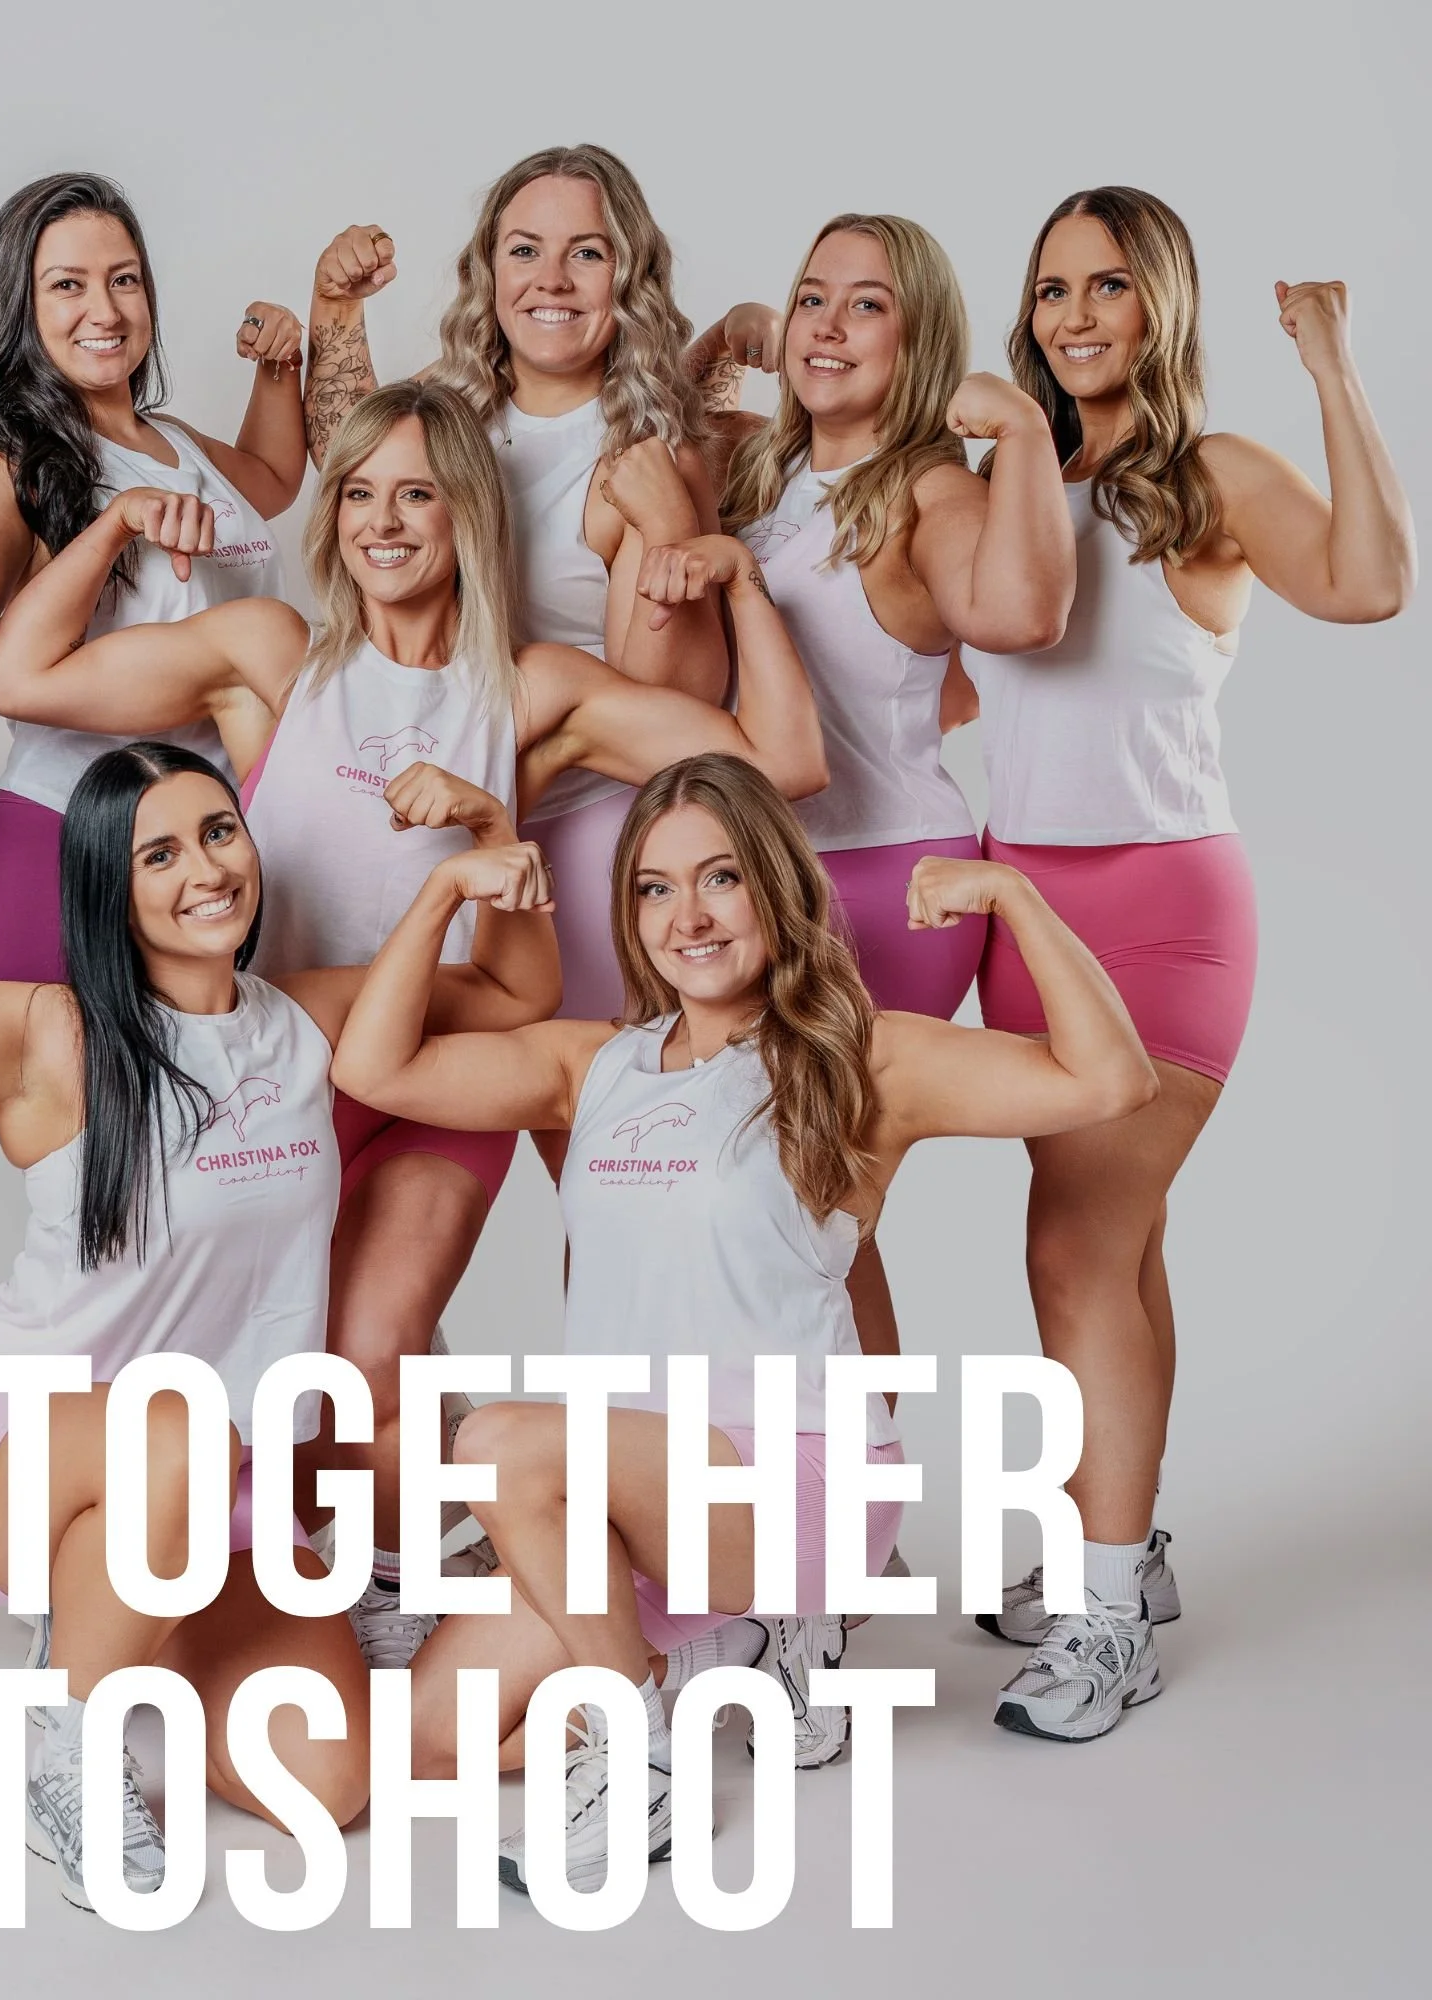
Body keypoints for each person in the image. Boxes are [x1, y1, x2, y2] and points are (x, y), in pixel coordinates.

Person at [0, 378, 826, 1668]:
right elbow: (10, 673)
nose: (382, 521)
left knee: (364, 1348)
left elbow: (786, 759)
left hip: (438, 1066)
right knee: (276, 1356)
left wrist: (740, 584)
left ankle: (391, 1568)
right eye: (359, 492)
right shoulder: (271, 654)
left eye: (416, 492)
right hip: (284, 1073)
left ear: (465, 514)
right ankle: (343, 1541)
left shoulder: (527, 685)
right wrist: (114, 528)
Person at [0, 746, 557, 1903]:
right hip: (10, 1453)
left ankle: (107, 1614)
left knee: (325, 1784)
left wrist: (463, 862)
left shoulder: (305, 1023)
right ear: (106, 888)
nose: (204, 870)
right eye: (158, 853)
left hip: (205, 1483)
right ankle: (68, 1750)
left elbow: (517, 996)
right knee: (174, 1418)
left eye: (218, 831)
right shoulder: (53, 1035)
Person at [329, 753, 1156, 1889]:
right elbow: (374, 1064)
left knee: (494, 1441)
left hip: (792, 1483)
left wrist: (1016, 900)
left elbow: (1109, 1081)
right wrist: (440, 895)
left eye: (719, 877)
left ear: (774, 886)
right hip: (624, 1507)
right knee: (424, 1749)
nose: (688, 915)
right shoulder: (593, 1067)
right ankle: (728, 1657)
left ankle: (643, 1757)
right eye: (654, 888)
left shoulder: (859, 1055)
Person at [960, 187, 1414, 1736]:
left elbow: (1370, 584)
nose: (1075, 316)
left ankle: (1104, 1624)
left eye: (1107, 287)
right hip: (1025, 913)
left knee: (1075, 1252)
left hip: (1163, 918)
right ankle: (1123, 1548)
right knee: (1115, 1248)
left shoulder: (1204, 475)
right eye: (1050, 290)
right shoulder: (1013, 468)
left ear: (1159, 307)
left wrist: (1336, 367)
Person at [680, 213, 1076, 1401]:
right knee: (787, 1206)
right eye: (811, 298)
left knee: (811, 1202)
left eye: (866, 305)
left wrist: (1012, 431)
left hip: (884, 878)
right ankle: (841, 1520)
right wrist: (717, 342)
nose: (828, 325)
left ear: (918, 343)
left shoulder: (927, 491)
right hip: (771, 876)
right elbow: (652, 427)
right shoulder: (765, 468)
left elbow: (1019, 617)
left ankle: (844, 1526)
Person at [302, 146, 725, 1040]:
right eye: (526, 249)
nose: (554, 279)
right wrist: (334, 313)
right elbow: (355, 491)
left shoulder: (649, 454)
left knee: (595, 1122)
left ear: (629, 273)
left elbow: (679, 718)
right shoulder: (444, 408)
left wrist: (672, 529)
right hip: (426, 817)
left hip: (583, 835)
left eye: (589, 252)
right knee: (415, 1091)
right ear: (488, 270)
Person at [0, 171, 307, 982]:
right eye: (67, 286)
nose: (105, 311)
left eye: (123, 280)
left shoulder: (172, 437)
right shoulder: (22, 468)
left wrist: (279, 360)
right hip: (66, 847)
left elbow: (272, 478)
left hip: (198, 862)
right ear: (21, 304)